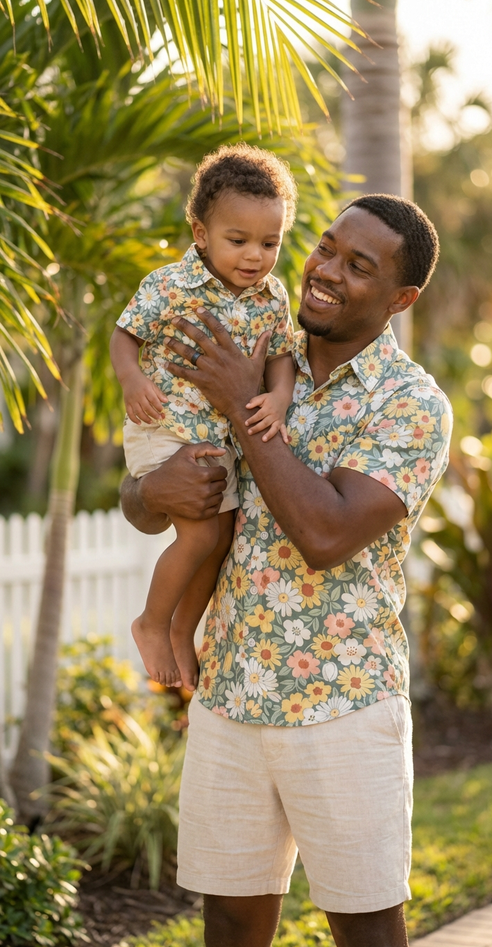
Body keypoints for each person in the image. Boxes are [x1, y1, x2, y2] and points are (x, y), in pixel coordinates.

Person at [121, 193, 453, 947]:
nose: (324, 271)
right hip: (229, 695)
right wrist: (147, 490)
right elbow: (156, 496)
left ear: (401, 298)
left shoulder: (409, 407)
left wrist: (242, 403)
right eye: (326, 247)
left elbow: (326, 531)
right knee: (231, 923)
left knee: (364, 927)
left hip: (342, 700)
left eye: (357, 266)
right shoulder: (256, 347)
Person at [110, 144, 297, 690]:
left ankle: (180, 632)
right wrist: (132, 378)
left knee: (217, 541)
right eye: (237, 241)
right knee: (195, 540)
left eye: (270, 243)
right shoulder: (169, 285)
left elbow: (282, 357)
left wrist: (279, 397)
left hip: (220, 442)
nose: (254, 256)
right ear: (201, 234)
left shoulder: (272, 297)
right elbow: (126, 335)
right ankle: (150, 621)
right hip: (163, 428)